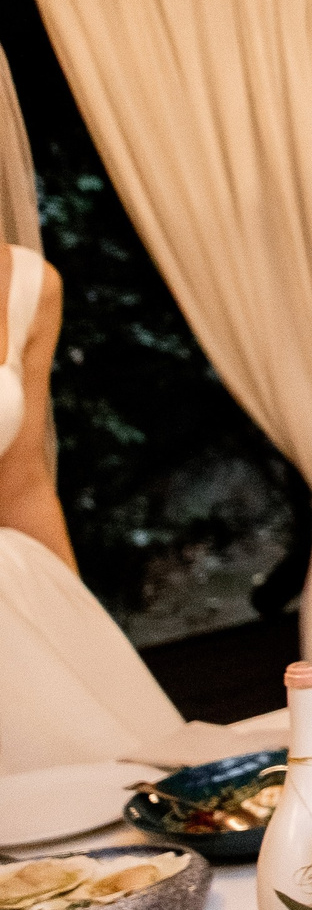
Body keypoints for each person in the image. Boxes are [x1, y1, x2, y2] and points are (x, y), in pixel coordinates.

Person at [0, 244, 184, 775]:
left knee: (121, 800)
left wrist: (78, 637)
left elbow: (21, 488)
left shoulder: (30, 286)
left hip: (12, 595)